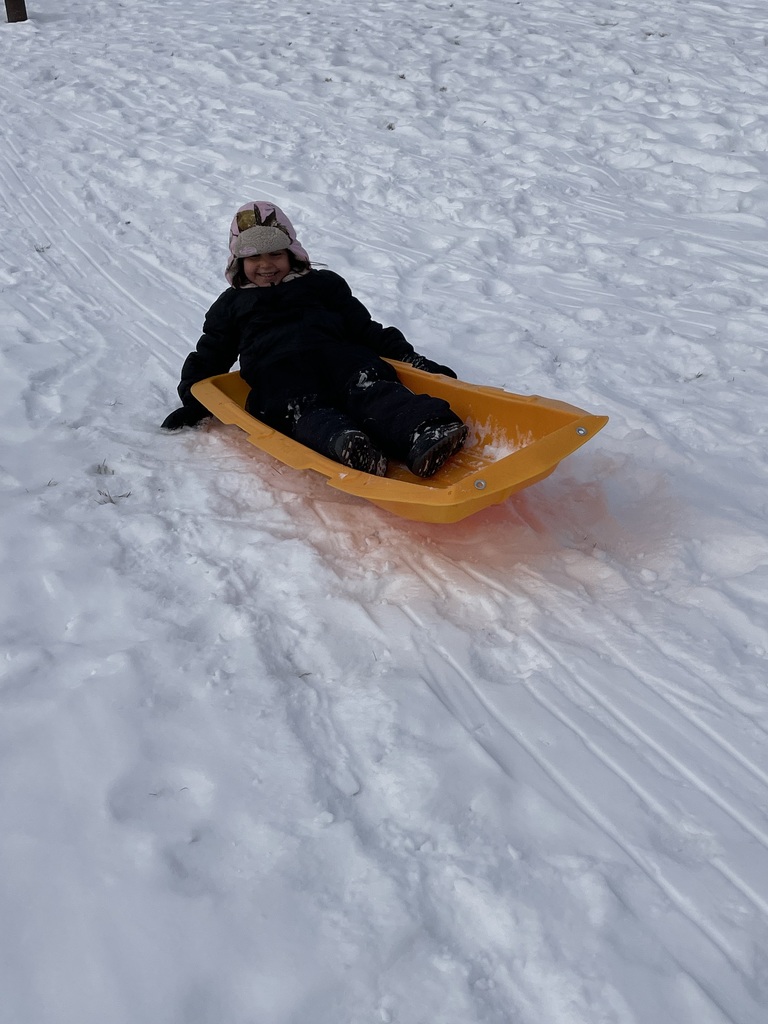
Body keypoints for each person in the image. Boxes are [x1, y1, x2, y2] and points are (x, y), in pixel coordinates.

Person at [161, 201, 468, 478]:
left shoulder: (322, 285)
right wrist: (195, 400)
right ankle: (347, 446)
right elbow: (210, 355)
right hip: (279, 375)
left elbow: (365, 329)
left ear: (291, 253)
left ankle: (426, 430)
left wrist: (410, 359)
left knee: (373, 389)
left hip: (340, 359)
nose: (266, 265)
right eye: (253, 257)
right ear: (238, 261)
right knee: (300, 412)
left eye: (275, 254)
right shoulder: (230, 306)